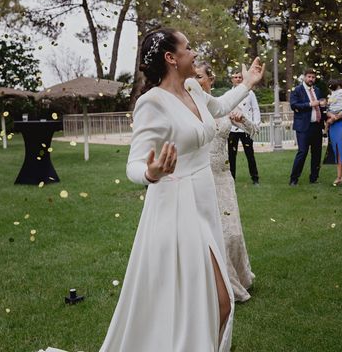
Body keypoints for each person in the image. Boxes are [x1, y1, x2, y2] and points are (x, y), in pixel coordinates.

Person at [98, 28, 264, 352]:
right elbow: (132, 164)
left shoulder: (193, 88)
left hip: (205, 201)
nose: (194, 53)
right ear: (171, 58)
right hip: (175, 207)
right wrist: (151, 172)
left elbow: (219, 107)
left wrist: (247, 84)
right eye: (188, 48)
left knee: (219, 301)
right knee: (214, 301)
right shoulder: (151, 103)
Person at [195, 62, 256, 301]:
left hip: (222, 177)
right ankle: (214, 285)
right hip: (200, 178)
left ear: (210, 79)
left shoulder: (223, 104)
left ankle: (238, 277)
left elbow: (253, 130)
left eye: (200, 77)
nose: (196, 81)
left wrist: (242, 119)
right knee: (209, 232)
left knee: (232, 233)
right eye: (193, 76)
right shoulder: (190, 108)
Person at [289, 69, 326, 185]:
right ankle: (294, 179)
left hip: (317, 126)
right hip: (303, 127)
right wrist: (310, 104)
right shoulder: (297, 90)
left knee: (317, 153)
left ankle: (314, 178)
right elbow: (293, 105)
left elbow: (320, 106)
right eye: (309, 77)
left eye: (313, 77)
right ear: (304, 77)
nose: (311, 79)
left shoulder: (317, 90)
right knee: (302, 152)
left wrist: (323, 105)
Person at [227, 70, 261, 185]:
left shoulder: (250, 93)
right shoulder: (229, 94)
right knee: (231, 155)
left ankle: (255, 178)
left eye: (239, 77)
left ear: (242, 78)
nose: (237, 79)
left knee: (249, 153)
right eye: (235, 77)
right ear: (232, 79)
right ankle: (232, 178)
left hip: (246, 128)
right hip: (233, 128)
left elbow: (255, 109)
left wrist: (256, 123)